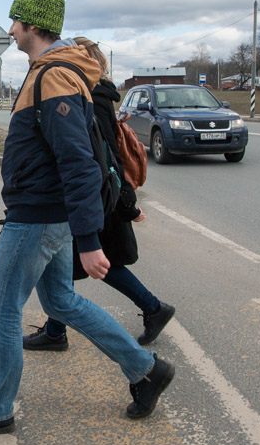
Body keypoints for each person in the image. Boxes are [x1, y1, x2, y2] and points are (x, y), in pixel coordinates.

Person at [0, 0, 174, 436]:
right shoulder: (48, 73)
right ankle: (146, 369)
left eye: (15, 21)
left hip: (40, 216)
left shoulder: (55, 76)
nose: (9, 30)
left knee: (1, 308)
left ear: (33, 24)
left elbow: (79, 163)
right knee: (61, 301)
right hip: (48, 212)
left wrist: (89, 240)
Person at [22, 37, 175, 352]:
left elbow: (105, 155)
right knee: (74, 265)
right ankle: (56, 330)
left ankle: (153, 308)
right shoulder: (95, 94)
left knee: (94, 263)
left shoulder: (93, 97)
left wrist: (125, 202)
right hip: (92, 194)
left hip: (95, 196)